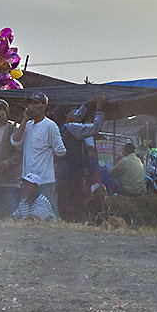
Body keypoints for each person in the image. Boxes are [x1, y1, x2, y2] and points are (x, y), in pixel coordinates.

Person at [10, 92, 65, 214]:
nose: (31, 107)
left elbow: (60, 151)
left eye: (35, 103)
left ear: (44, 106)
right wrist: (24, 120)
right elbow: (15, 141)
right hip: (27, 180)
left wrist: (48, 164)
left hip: (44, 180)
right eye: (30, 103)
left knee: (48, 214)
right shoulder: (27, 126)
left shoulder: (50, 126)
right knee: (26, 214)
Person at [55, 95, 106, 223]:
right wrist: (99, 109)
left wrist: (87, 104)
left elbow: (78, 116)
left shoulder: (59, 128)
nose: (75, 113)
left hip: (62, 172)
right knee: (76, 200)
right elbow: (95, 127)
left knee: (64, 201)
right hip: (74, 172)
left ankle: (66, 223)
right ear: (67, 116)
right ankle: (75, 223)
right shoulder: (73, 128)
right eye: (71, 112)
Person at [0, 99, 21, 218]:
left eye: (0, 109)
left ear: (6, 113)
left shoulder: (13, 130)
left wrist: (7, 163)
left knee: (11, 214)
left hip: (9, 180)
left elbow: (20, 152)